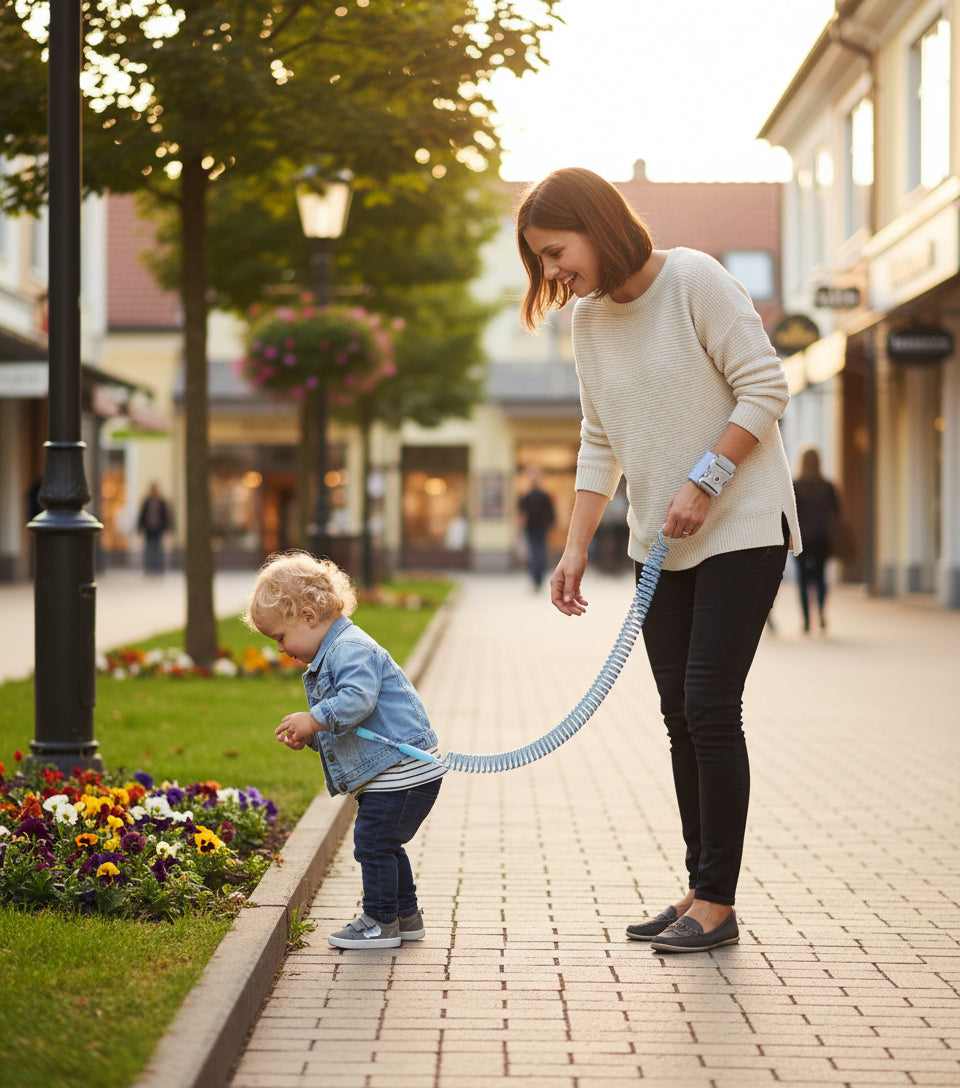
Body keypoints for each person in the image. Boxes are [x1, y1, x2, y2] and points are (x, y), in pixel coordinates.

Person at [516, 168, 801, 953]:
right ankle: (699, 889)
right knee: (680, 716)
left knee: (709, 705)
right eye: (540, 260)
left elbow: (765, 388)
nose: (551, 272)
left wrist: (705, 482)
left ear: (598, 225)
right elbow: (599, 437)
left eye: (556, 252)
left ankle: (718, 901)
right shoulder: (588, 320)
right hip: (659, 543)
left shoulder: (694, 280)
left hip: (741, 526)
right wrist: (575, 546)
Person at [244, 551, 445, 949]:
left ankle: (380, 922)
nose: (281, 649)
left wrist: (314, 719)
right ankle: (405, 916)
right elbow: (354, 729)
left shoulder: (349, 648)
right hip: (400, 772)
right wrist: (313, 736)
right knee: (385, 844)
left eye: (280, 637)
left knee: (372, 843)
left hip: (401, 772)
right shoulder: (334, 650)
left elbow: (357, 699)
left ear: (308, 616)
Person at [792, 446, 839, 633]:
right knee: (820, 577)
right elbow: (836, 512)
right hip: (822, 538)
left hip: (801, 540)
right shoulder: (827, 486)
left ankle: (806, 622)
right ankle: (820, 613)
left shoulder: (795, 486)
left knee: (803, 580)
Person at [517, 467, 556, 589]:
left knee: (534, 552)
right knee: (540, 552)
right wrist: (551, 525)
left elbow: (522, 514)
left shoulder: (527, 496)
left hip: (533, 528)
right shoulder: (544, 495)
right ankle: (539, 577)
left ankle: (536, 578)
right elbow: (551, 513)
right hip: (540, 528)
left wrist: (519, 528)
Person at [137, 483, 172, 575]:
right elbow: (142, 515)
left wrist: (167, 528)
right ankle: (149, 569)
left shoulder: (161, 502)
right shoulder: (147, 501)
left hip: (158, 529)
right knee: (149, 549)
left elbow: (166, 516)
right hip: (149, 529)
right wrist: (140, 527)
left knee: (159, 549)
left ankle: (159, 569)